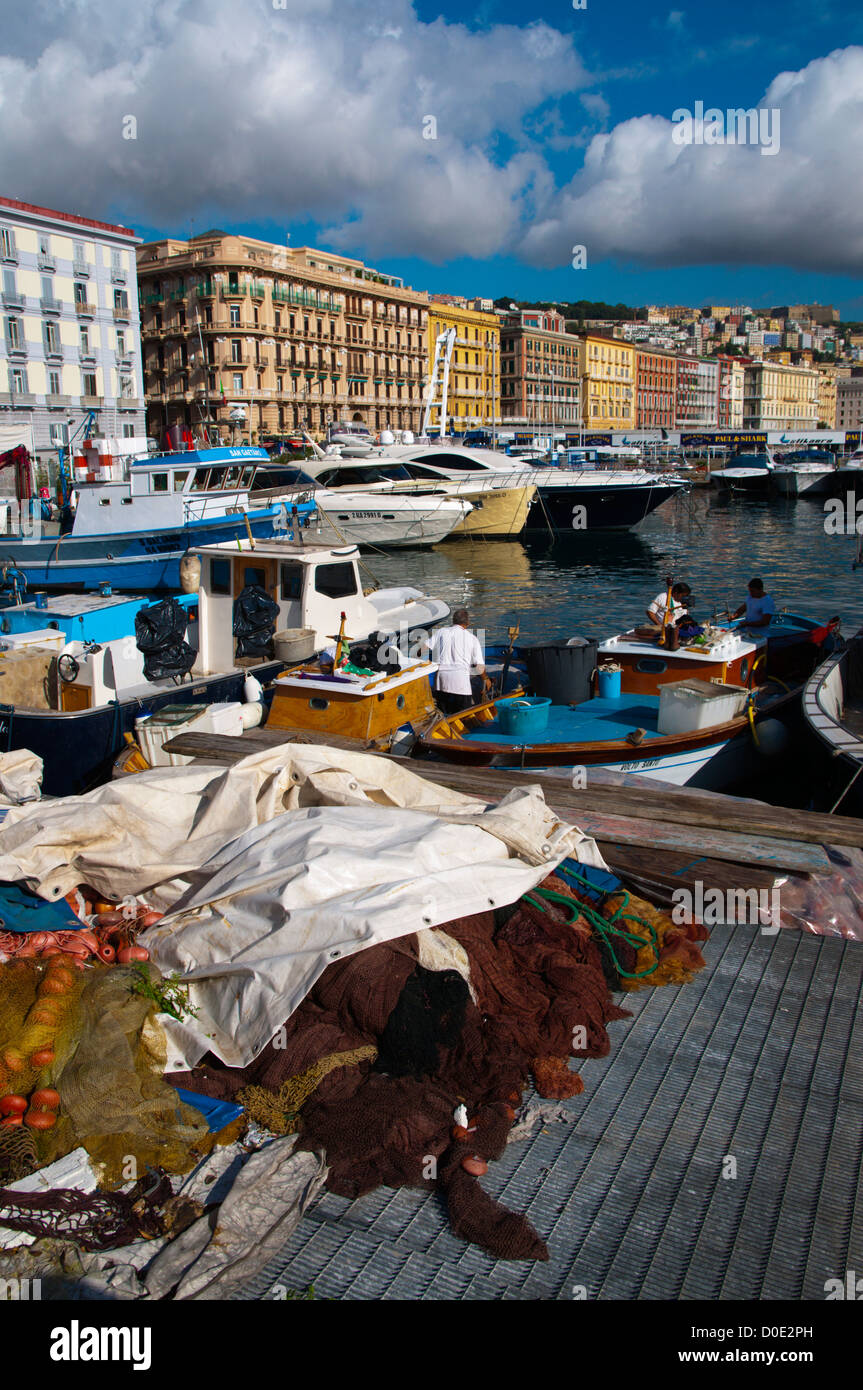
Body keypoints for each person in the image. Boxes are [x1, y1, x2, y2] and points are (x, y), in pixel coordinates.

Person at [430, 609, 491, 714]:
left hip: (441, 682)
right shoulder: (472, 639)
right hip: (460, 684)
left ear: (453, 621)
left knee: (443, 715)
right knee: (464, 716)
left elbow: (422, 648)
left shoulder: (441, 632)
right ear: (467, 623)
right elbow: (478, 666)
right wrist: (486, 679)